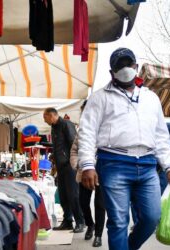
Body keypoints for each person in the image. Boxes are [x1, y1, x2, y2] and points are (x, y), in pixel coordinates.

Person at [78, 47, 170, 250]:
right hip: (114, 163)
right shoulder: (99, 97)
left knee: (151, 217)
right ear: (111, 72)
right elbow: (87, 132)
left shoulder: (151, 98)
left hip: (147, 165)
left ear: (136, 67)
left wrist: (169, 166)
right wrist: (87, 164)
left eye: (128, 64)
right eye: (119, 66)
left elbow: (161, 137)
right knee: (119, 222)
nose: (125, 69)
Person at [43, 108, 85, 233]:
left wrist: (72, 162)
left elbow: (74, 143)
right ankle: (67, 221)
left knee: (73, 195)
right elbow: (59, 146)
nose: (44, 120)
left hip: (69, 166)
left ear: (51, 116)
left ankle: (80, 221)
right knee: (63, 195)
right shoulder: (54, 127)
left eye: (45, 117)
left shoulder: (66, 124)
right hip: (60, 167)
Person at [70, 100, 105, 247]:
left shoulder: (105, 129)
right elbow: (73, 151)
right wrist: (78, 164)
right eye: (84, 111)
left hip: (103, 172)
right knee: (83, 202)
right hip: (85, 172)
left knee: (100, 204)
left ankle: (98, 234)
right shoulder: (81, 132)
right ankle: (90, 224)